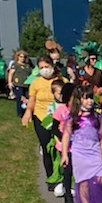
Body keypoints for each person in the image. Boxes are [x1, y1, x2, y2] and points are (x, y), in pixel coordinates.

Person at [60, 84, 102, 203]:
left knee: (100, 178)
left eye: (91, 98)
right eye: (86, 98)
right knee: (83, 182)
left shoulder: (97, 117)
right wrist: (64, 154)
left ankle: (93, 201)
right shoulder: (73, 118)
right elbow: (66, 136)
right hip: (79, 154)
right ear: (78, 100)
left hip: (94, 152)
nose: (90, 101)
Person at [22, 55, 66, 189]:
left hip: (60, 119)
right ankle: (51, 178)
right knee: (47, 148)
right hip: (41, 118)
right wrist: (28, 112)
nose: (45, 70)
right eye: (41, 68)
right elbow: (32, 100)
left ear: (52, 65)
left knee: (62, 148)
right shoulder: (36, 83)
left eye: (47, 66)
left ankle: (64, 176)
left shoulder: (62, 81)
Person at [53, 83, 77, 203]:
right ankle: (68, 197)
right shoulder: (61, 110)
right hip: (65, 146)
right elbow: (54, 127)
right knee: (68, 171)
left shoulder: (79, 111)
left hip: (78, 145)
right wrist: (62, 137)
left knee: (77, 171)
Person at [8, 50, 32, 117]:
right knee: (20, 98)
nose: (22, 58)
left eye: (24, 57)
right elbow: (10, 73)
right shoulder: (15, 65)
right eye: (21, 57)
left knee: (26, 99)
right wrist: (9, 82)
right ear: (18, 57)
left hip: (26, 85)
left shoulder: (27, 66)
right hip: (17, 84)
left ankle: (25, 112)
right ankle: (20, 113)